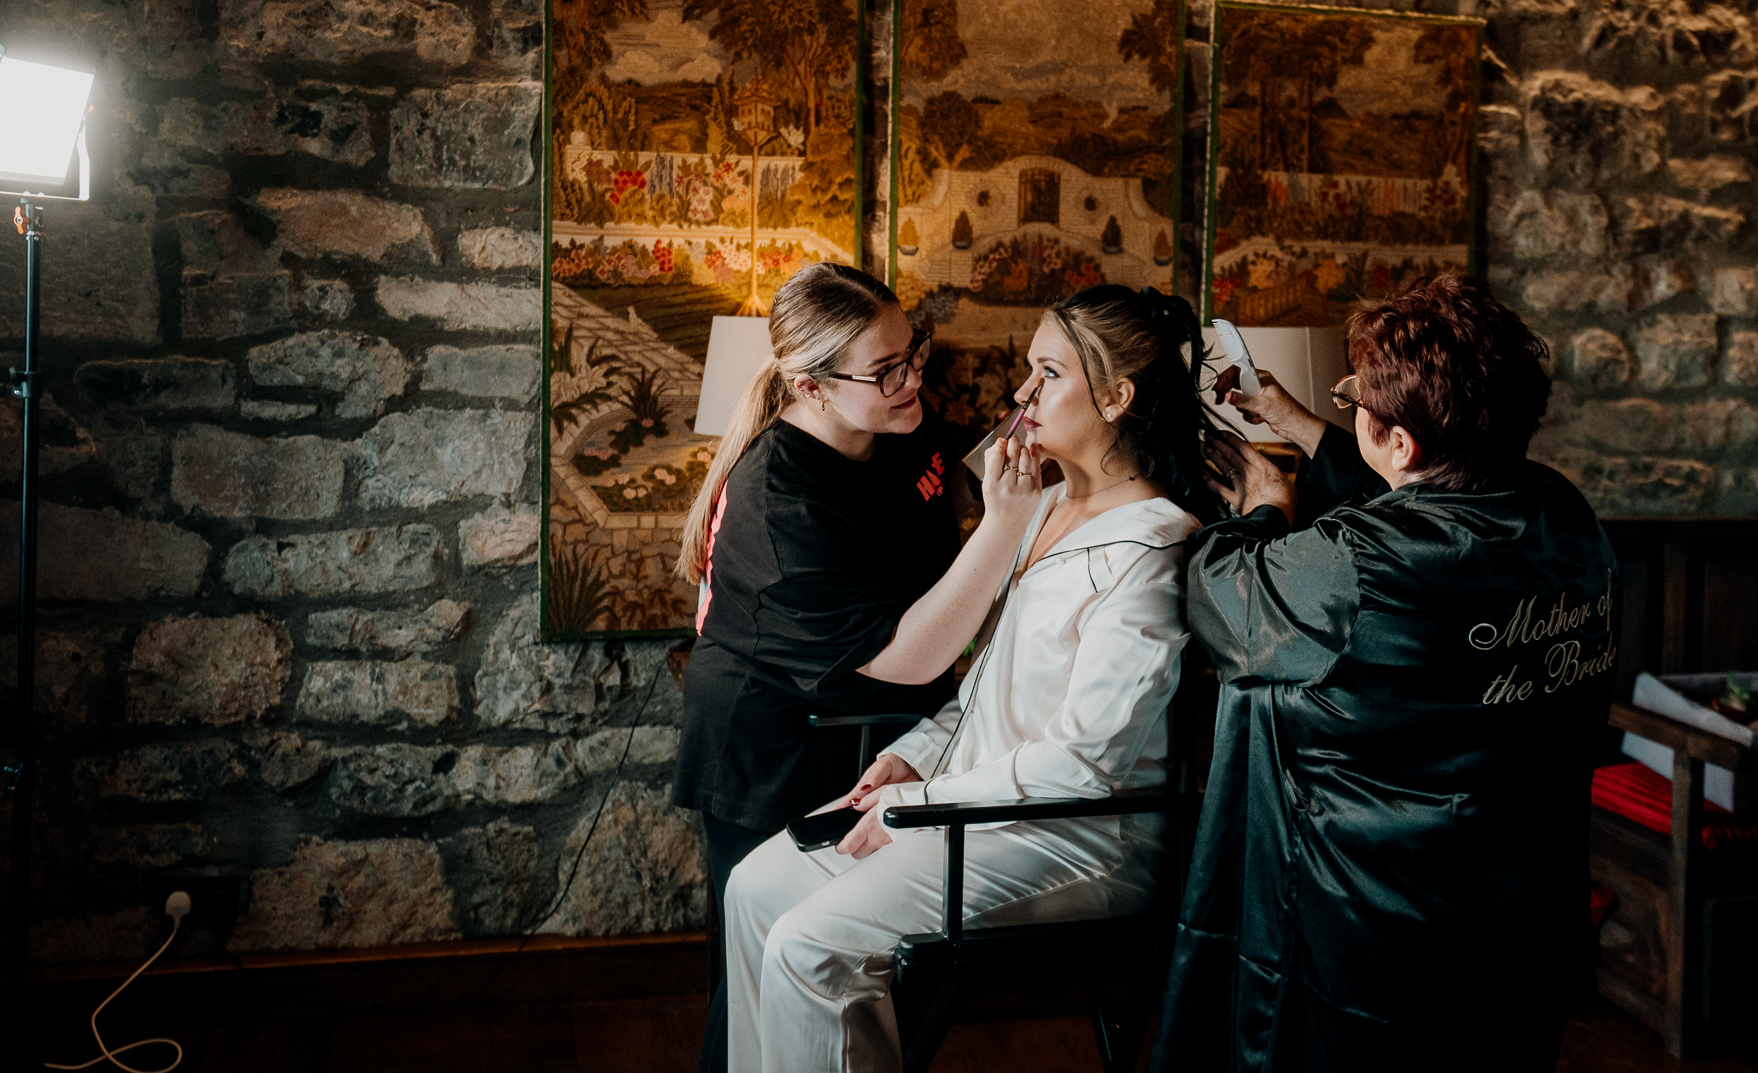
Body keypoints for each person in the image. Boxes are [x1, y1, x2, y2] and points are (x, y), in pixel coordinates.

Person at [721, 285, 1224, 1073]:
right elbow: (981, 688)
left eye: (1048, 373)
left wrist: (915, 803)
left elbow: (1088, 764)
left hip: (1081, 836)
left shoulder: (1152, 547)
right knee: (752, 891)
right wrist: (917, 756)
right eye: (1028, 369)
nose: (1021, 394)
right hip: (975, 803)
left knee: (812, 947)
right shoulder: (1041, 505)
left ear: (1118, 396)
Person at [1152, 276, 1619, 1073]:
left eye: (1354, 401)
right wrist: (1297, 423)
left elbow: (1217, 593)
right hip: (1527, 911)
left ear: (1397, 440)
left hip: (1384, 924)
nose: (1351, 412)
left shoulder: (1353, 564)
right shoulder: (1560, 511)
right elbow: (1435, 500)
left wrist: (1265, 506)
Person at [672, 262, 1045, 1073]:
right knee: (764, 977)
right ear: (810, 386)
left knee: (863, 979)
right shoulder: (780, 503)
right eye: (886, 371)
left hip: (876, 732)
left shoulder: (899, 426)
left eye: (913, 353)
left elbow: (946, 513)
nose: (913, 380)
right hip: (774, 750)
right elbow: (910, 658)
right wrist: (1006, 528)